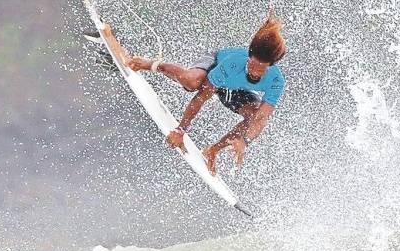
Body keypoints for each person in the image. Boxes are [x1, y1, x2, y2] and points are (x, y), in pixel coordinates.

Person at [84, 10, 286, 175]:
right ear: (249, 56)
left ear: (271, 66)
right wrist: (180, 130)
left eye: (261, 68)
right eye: (252, 64)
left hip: (236, 90)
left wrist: (245, 141)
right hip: (214, 66)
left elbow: (261, 118)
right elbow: (201, 97)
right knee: (192, 82)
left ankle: (212, 150)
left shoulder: (276, 81)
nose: (254, 70)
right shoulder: (233, 64)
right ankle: (149, 64)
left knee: (253, 116)